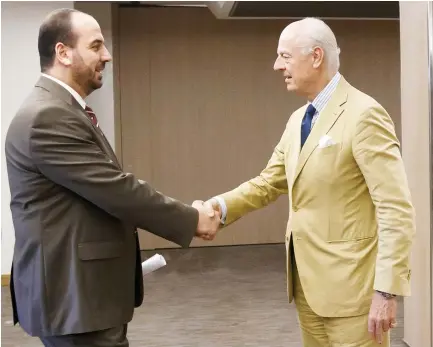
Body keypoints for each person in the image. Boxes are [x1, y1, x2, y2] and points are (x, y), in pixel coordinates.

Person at [5, 8, 219, 347]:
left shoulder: (61, 110)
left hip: (82, 294)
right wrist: (192, 218)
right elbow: (116, 190)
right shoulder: (48, 116)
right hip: (74, 297)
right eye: (96, 46)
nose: (107, 56)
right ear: (63, 52)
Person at [195, 17, 415, 347]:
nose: (276, 65)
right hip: (307, 289)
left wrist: (386, 291)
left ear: (315, 57)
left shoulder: (365, 114)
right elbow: (268, 182)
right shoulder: (298, 119)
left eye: (284, 56)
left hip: (353, 296)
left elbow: (395, 209)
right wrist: (217, 208)